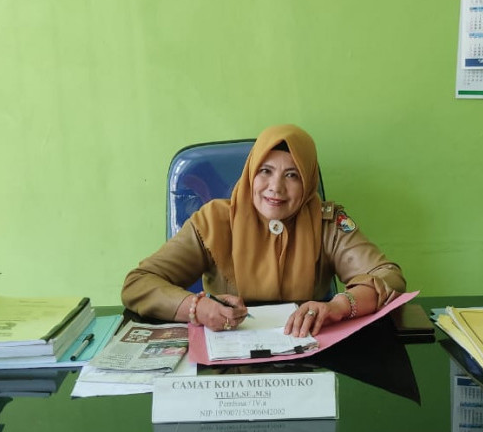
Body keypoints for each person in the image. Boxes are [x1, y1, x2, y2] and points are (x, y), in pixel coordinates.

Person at [121, 124, 406, 337]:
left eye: (292, 175)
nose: (276, 188)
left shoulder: (326, 221)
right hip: (228, 362)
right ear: (250, 173)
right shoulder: (213, 221)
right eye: (265, 171)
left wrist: (339, 306)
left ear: (307, 182)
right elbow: (138, 283)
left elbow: (388, 277)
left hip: (307, 354)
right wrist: (196, 307)